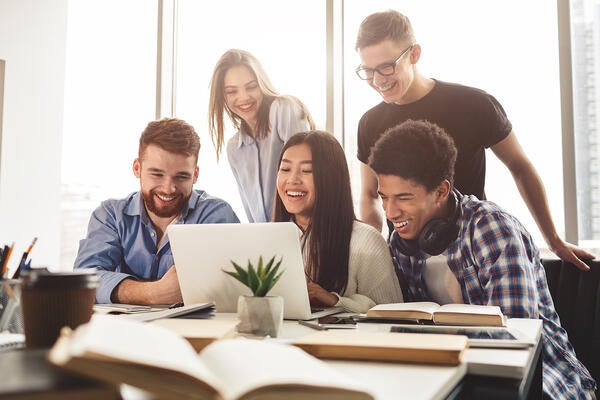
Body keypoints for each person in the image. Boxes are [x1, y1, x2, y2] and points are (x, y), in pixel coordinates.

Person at [368, 119, 596, 400]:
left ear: (441, 191)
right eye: (384, 198)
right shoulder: (401, 243)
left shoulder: (492, 228)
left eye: (404, 198)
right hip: (456, 376)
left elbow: (514, 336)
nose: (391, 212)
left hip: (543, 382)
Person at [354, 9, 595, 270]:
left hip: (473, 253)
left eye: (387, 67)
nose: (378, 80)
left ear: (414, 54)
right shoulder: (370, 123)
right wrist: (373, 255)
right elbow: (370, 194)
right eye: (368, 71)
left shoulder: (473, 104)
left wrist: (554, 239)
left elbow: (520, 166)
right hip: (409, 262)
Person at [75, 118, 240, 305]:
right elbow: (84, 280)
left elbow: (230, 287)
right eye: (157, 174)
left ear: (195, 175)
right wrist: (153, 293)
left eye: (181, 176)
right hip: (124, 330)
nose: (168, 189)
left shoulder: (217, 216)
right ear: (137, 168)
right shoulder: (110, 215)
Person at [273, 130, 403, 313]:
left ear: (331, 178)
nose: (292, 180)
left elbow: (391, 313)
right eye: (285, 169)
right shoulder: (269, 239)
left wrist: (334, 300)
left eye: (307, 171)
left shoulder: (365, 241)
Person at [208, 49, 315, 223]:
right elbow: (254, 217)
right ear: (223, 96)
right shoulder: (234, 148)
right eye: (232, 91)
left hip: (305, 231)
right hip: (270, 243)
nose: (243, 97)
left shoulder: (283, 110)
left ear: (262, 84)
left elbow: (308, 177)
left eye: (251, 87)